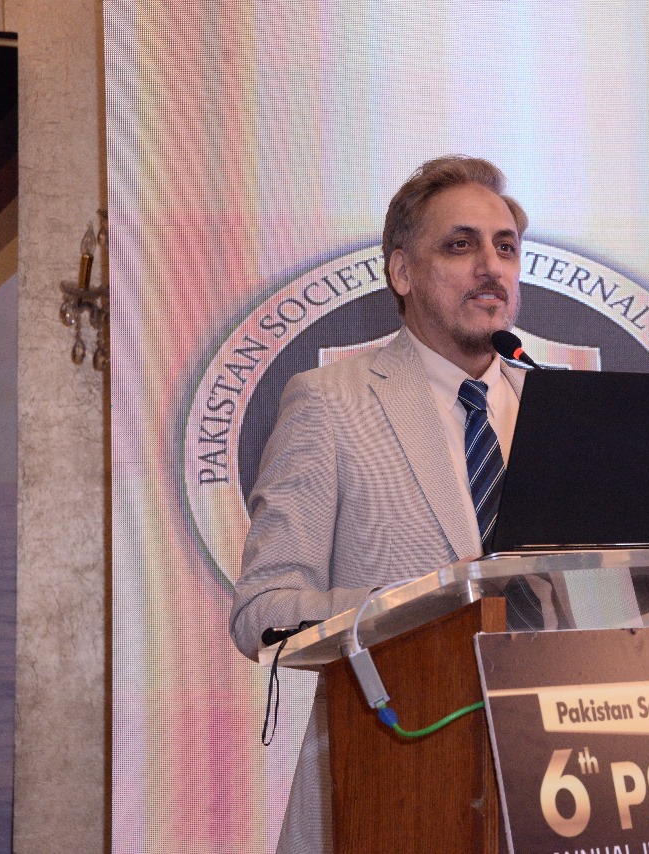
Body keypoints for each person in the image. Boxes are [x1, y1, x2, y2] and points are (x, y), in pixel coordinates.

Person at [230, 155, 534, 853]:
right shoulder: (328, 402)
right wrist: (427, 604)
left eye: (505, 247)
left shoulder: (558, 409)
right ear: (402, 272)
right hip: (387, 783)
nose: (490, 266)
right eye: (460, 245)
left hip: (556, 784)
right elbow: (263, 611)